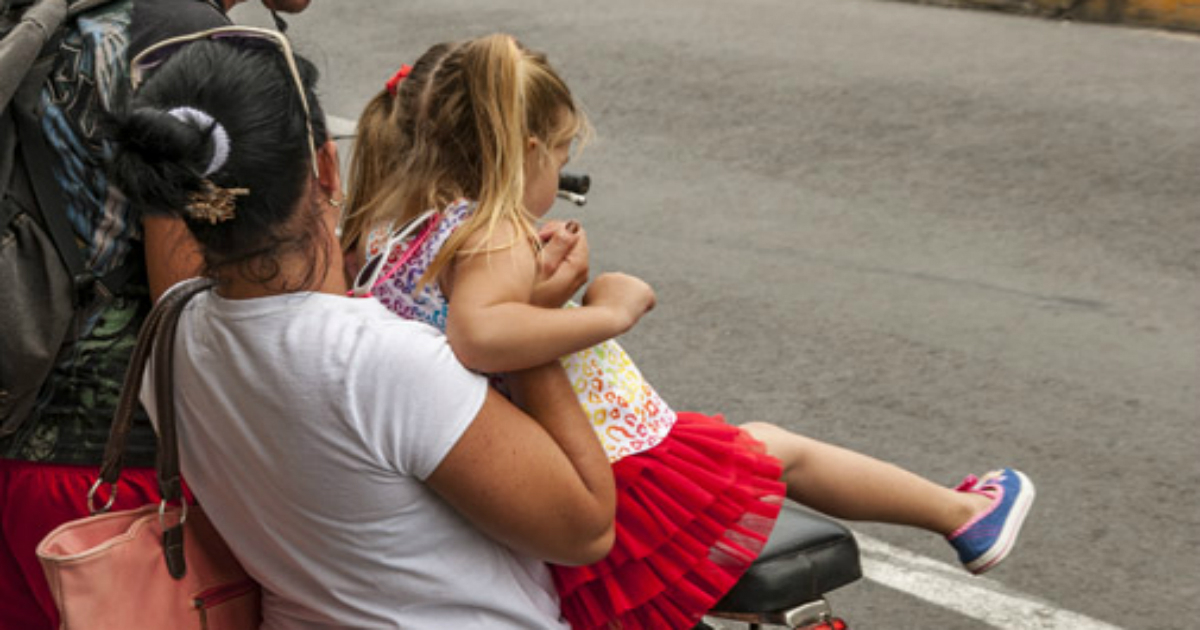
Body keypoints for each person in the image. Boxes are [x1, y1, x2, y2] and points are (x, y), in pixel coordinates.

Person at [340, 33, 1038, 630]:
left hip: (527, 481)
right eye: (557, 151)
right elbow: (481, 336)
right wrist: (606, 310)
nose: (559, 169)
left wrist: (543, 292)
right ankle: (964, 514)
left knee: (767, 446)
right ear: (525, 150)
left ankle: (961, 511)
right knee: (775, 448)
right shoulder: (491, 228)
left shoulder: (398, 233)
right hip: (619, 476)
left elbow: (465, 328)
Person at [109, 31, 615, 629]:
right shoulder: (379, 361)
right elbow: (585, 528)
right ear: (326, 166)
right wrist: (530, 324)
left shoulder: (170, 338)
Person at [0, 3, 312, 630]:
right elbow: (188, 295)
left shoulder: (70, 16)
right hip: (120, 484)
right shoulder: (183, 39)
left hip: (22, 447)